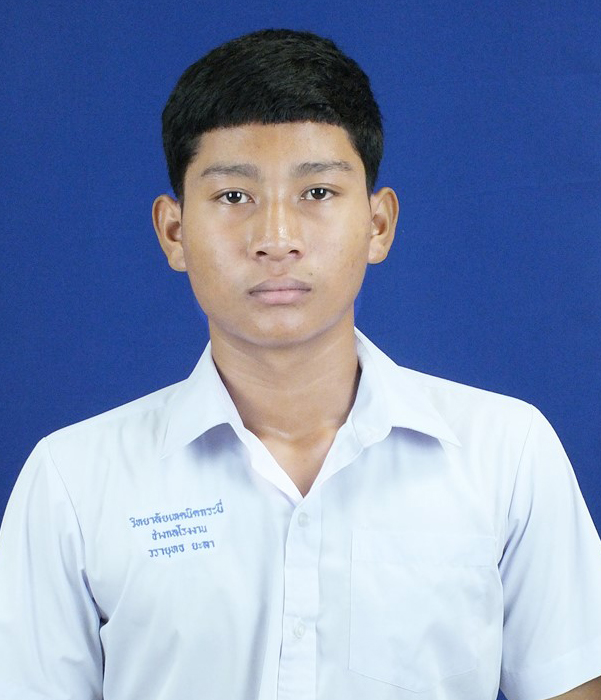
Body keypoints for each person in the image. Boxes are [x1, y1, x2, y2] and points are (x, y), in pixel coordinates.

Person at [0, 28, 600, 700]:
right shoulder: (73, 482)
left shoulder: (505, 453)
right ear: (174, 231)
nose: (276, 239)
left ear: (378, 224)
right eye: (234, 196)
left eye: (317, 192)